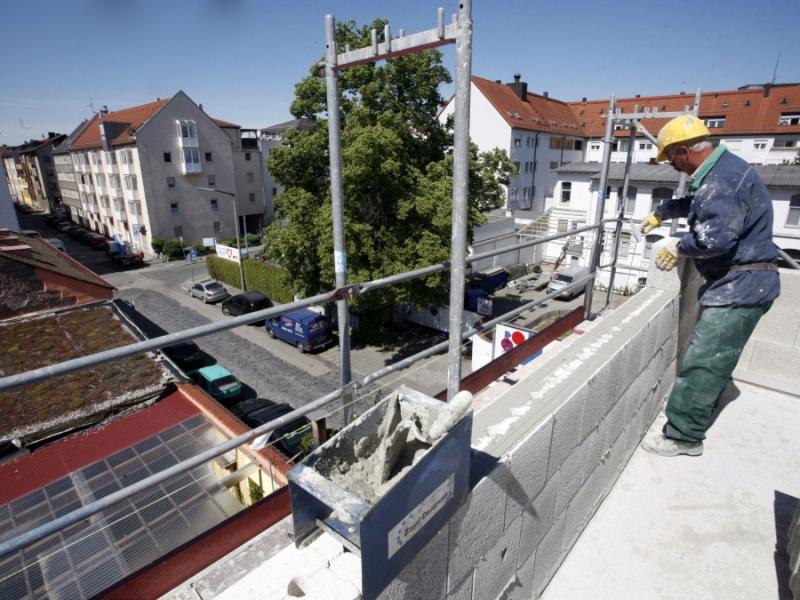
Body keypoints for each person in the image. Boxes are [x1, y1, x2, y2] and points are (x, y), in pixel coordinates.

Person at [639, 115, 780, 457]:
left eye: (672, 159)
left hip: (740, 287)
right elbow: (699, 204)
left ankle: (684, 437)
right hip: (747, 283)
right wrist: (665, 210)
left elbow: (713, 239)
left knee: (703, 362)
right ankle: (694, 412)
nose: (674, 167)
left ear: (684, 151)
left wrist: (678, 245)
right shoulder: (724, 172)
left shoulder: (723, 180)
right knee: (714, 361)